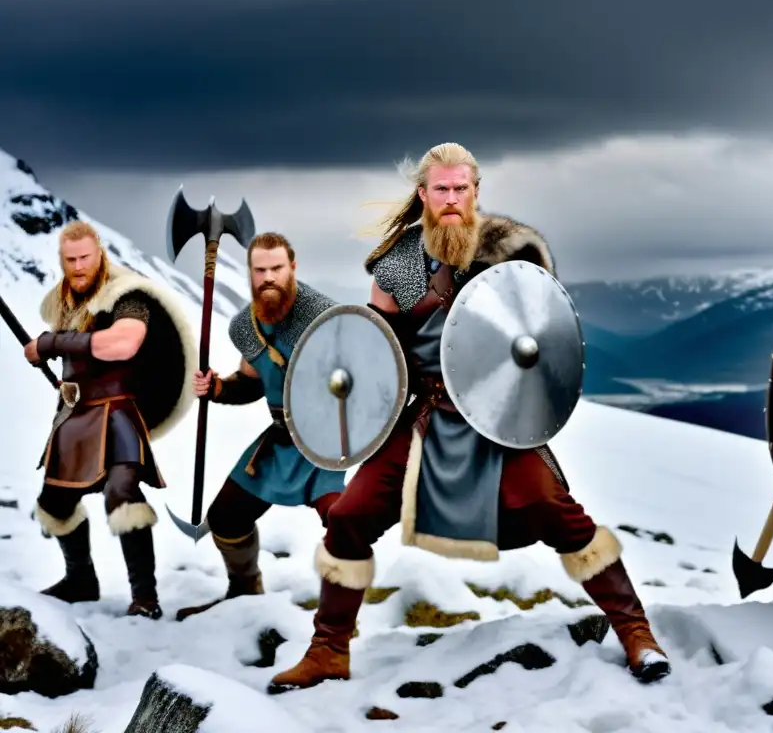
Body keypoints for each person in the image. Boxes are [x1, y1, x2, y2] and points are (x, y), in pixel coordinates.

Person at [267, 142, 671, 695]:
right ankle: (328, 650)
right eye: (441, 190)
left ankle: (635, 632)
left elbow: (538, 334)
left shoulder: (511, 255)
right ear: (424, 195)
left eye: (461, 189)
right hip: (427, 414)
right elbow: (377, 354)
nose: (452, 199)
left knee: (555, 510)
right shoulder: (398, 266)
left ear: (475, 192)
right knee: (352, 513)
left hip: (496, 417)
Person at [25, 220, 196, 619]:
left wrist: (50, 343)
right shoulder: (63, 302)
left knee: (123, 493)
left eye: (85, 257)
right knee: (55, 502)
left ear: (99, 252)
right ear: (62, 260)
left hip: (118, 411)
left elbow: (123, 343)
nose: (79, 266)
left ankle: (145, 597)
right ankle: (81, 580)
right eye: (71, 260)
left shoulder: (126, 295)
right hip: (75, 414)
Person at [175, 232, 347, 621]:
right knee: (225, 517)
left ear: (293, 268)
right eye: (260, 270)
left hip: (326, 445)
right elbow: (252, 382)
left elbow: (363, 382)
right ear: (250, 273)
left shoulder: (326, 318)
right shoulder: (246, 325)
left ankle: (338, 622)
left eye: (277, 268)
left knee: (343, 524)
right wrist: (218, 387)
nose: (268, 277)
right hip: (281, 441)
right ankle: (244, 592)